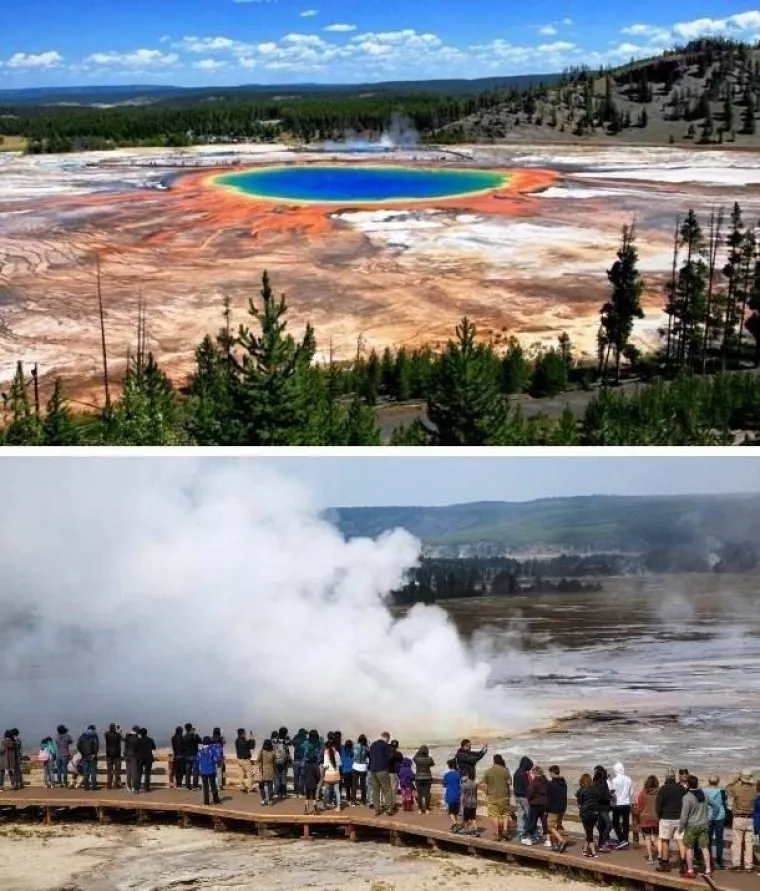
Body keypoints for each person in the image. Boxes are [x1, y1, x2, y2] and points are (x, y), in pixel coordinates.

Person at [679, 774, 712, 879]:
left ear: (688, 784)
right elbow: (716, 806)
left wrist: (681, 827)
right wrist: (710, 818)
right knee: (704, 847)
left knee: (689, 847)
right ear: (697, 783)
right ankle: (708, 869)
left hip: (692, 826)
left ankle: (690, 870)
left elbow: (684, 816)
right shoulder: (704, 794)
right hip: (704, 824)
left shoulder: (687, 797)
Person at [725, 769, 757, 873]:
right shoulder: (755, 789)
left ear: (741, 778)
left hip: (739, 818)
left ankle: (737, 864)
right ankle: (748, 866)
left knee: (737, 843)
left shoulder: (737, 788)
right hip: (750, 818)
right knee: (749, 844)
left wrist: (735, 780)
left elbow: (727, 788)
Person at [656, 768, 687, 872]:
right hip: (679, 818)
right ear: (674, 778)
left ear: (666, 778)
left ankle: (665, 865)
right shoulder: (681, 789)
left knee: (665, 841)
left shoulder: (663, 789)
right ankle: (683, 864)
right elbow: (685, 803)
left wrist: (659, 815)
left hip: (666, 818)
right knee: (680, 841)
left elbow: (658, 805)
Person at [481, 754, 512, 841]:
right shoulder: (506, 770)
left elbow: (483, 785)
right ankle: (505, 831)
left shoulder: (488, 771)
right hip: (505, 797)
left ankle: (497, 834)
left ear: (494, 761)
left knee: (494, 816)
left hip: (493, 797)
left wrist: (486, 792)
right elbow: (509, 783)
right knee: (505, 814)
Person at [633, 775, 660, 864]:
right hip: (656, 819)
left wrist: (635, 810)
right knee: (656, 838)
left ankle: (650, 858)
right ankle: (660, 856)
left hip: (645, 819)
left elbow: (639, 808)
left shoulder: (643, 793)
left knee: (647, 838)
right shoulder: (659, 793)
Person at [368, 732, 394, 816]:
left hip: (373, 770)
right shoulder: (385, 745)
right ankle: (389, 809)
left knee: (375, 790)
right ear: (387, 738)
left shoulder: (373, 745)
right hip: (382, 770)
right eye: (388, 740)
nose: (388, 741)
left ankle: (377, 809)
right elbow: (388, 758)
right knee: (387, 789)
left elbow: (370, 756)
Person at [704, 775, 726, 870]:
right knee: (719, 840)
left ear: (709, 781)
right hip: (720, 816)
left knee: (708, 839)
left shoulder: (704, 791)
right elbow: (724, 802)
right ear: (718, 781)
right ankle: (719, 861)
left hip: (708, 816)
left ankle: (709, 861)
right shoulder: (721, 791)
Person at [577, 773, 601, 858]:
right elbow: (598, 800)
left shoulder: (581, 790)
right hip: (595, 813)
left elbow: (579, 805)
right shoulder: (595, 790)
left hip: (585, 813)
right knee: (589, 831)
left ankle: (593, 852)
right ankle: (585, 849)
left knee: (589, 832)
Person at [524, 765, 549, 846]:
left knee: (532, 822)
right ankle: (547, 840)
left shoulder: (535, 781)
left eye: (532, 772)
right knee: (544, 822)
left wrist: (529, 800)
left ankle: (529, 839)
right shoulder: (546, 781)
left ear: (535, 772)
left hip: (535, 804)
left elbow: (530, 792)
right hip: (544, 804)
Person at [611, 762, 633, 849]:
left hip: (617, 804)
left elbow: (612, 794)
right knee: (625, 823)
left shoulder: (614, 780)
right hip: (626, 804)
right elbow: (631, 793)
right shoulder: (629, 779)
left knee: (615, 823)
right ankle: (625, 840)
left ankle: (621, 840)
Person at [547, 765, 569, 853]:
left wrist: (546, 809)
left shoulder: (551, 784)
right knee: (557, 826)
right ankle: (555, 844)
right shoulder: (563, 783)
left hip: (553, 808)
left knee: (550, 826)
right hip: (562, 808)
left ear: (552, 772)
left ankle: (561, 840)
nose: (549, 774)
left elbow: (548, 798)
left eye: (550, 773)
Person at [513, 756, 534, 839]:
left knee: (520, 815)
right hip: (524, 797)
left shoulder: (516, 772)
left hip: (517, 796)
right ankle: (531, 833)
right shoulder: (524, 774)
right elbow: (527, 787)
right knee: (530, 815)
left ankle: (520, 832)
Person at [198, 735, 221, 806]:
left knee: (205, 787)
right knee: (213, 785)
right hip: (211, 770)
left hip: (203, 771)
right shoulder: (211, 750)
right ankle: (216, 801)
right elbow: (216, 759)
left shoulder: (200, 751)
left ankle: (206, 802)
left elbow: (197, 760)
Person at [413, 744, 435, 815]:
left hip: (418, 778)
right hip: (427, 778)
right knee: (427, 794)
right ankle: (427, 809)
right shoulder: (429, 758)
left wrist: (419, 752)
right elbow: (432, 764)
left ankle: (420, 809)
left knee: (419, 794)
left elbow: (414, 758)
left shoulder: (417, 759)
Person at [77, 725, 99, 791]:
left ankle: (86, 787)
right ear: (93, 729)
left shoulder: (82, 736)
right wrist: (94, 754)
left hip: (84, 757)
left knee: (85, 772)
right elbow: (96, 746)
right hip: (92, 757)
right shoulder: (94, 736)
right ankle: (93, 786)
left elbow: (78, 746)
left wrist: (82, 753)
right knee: (93, 771)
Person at [322, 737, 342, 811]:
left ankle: (325, 805)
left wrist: (322, 765)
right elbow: (340, 764)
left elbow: (326, 765)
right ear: (334, 745)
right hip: (336, 774)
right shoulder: (337, 753)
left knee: (326, 791)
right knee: (337, 791)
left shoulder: (326, 752)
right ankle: (338, 807)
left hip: (328, 774)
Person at [443, 758, 462, 830]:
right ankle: (453, 826)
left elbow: (444, 785)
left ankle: (455, 823)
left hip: (450, 794)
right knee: (455, 812)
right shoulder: (459, 774)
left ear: (449, 766)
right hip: (458, 794)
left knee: (450, 812)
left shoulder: (447, 775)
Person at [135, 727, 156, 792]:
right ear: (146, 733)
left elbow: (135, 748)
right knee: (147, 773)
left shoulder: (138, 740)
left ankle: (137, 788)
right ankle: (146, 788)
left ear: (141, 734)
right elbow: (154, 747)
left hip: (140, 758)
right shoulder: (150, 739)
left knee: (139, 773)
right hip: (148, 757)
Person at [234, 729, 255, 794]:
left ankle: (242, 787)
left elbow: (248, 744)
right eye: (244, 733)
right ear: (242, 733)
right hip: (245, 760)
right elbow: (251, 746)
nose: (245, 734)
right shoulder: (243, 741)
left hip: (239, 759)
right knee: (250, 773)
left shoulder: (237, 740)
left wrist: (249, 740)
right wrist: (251, 738)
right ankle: (250, 788)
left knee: (241, 774)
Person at [273, 728, 291, 800]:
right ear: (285, 733)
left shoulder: (274, 740)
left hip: (276, 761)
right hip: (284, 762)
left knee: (277, 777)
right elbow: (288, 749)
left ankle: (276, 793)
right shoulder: (286, 741)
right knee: (283, 777)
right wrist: (289, 760)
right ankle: (283, 793)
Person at [182, 724, 201, 791]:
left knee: (188, 772)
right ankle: (195, 786)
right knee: (195, 771)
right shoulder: (194, 736)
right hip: (194, 755)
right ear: (191, 728)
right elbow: (200, 741)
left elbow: (182, 746)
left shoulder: (184, 737)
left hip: (187, 756)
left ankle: (188, 786)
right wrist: (195, 733)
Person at [104, 723, 123, 790]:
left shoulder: (107, 734)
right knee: (117, 770)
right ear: (115, 728)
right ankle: (116, 784)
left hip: (109, 754)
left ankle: (109, 784)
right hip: (117, 754)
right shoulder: (118, 735)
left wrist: (113, 729)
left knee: (109, 770)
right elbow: (122, 739)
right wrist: (119, 731)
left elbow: (106, 732)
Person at [257, 738, 275, 806]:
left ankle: (263, 799)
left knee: (261, 786)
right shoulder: (273, 752)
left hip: (262, 771)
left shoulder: (262, 751)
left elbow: (258, 760)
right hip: (270, 771)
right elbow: (275, 762)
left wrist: (260, 766)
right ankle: (270, 800)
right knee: (270, 786)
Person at [352, 734, 370, 806]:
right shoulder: (366, 747)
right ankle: (363, 801)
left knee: (354, 784)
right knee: (363, 785)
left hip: (355, 766)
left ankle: (353, 801)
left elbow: (353, 755)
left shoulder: (355, 746)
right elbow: (369, 756)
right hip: (363, 767)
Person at [460, 771, 479, 835]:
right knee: (473, 817)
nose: (462, 777)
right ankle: (476, 830)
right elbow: (476, 794)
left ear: (467, 776)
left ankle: (466, 829)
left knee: (466, 817)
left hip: (467, 802)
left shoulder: (464, 784)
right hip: (474, 801)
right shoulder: (475, 784)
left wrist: (461, 803)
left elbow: (462, 795)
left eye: (464, 776)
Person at [124, 726, 140, 793]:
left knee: (128, 772)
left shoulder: (127, 736)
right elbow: (137, 748)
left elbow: (125, 746)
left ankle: (128, 786)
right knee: (134, 773)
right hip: (133, 756)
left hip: (127, 756)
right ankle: (134, 787)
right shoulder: (136, 738)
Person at [291, 729, 307, 797]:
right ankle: (301, 792)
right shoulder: (305, 740)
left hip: (296, 760)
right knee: (302, 777)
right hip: (303, 760)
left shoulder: (296, 740)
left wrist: (296, 735)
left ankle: (295, 792)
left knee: (296, 777)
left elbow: (291, 742)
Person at [389, 740, 403, 807]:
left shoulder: (385, 752)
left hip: (384, 771)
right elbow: (402, 762)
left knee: (385, 788)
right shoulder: (398, 754)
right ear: (397, 746)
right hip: (393, 772)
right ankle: (392, 803)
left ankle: (385, 802)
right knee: (393, 788)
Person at [341, 740, 355, 806]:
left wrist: (341, 770)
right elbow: (354, 760)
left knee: (347, 786)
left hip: (345, 770)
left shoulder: (343, 751)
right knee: (352, 785)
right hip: (352, 770)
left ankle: (348, 799)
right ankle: (352, 799)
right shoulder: (353, 751)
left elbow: (341, 761)